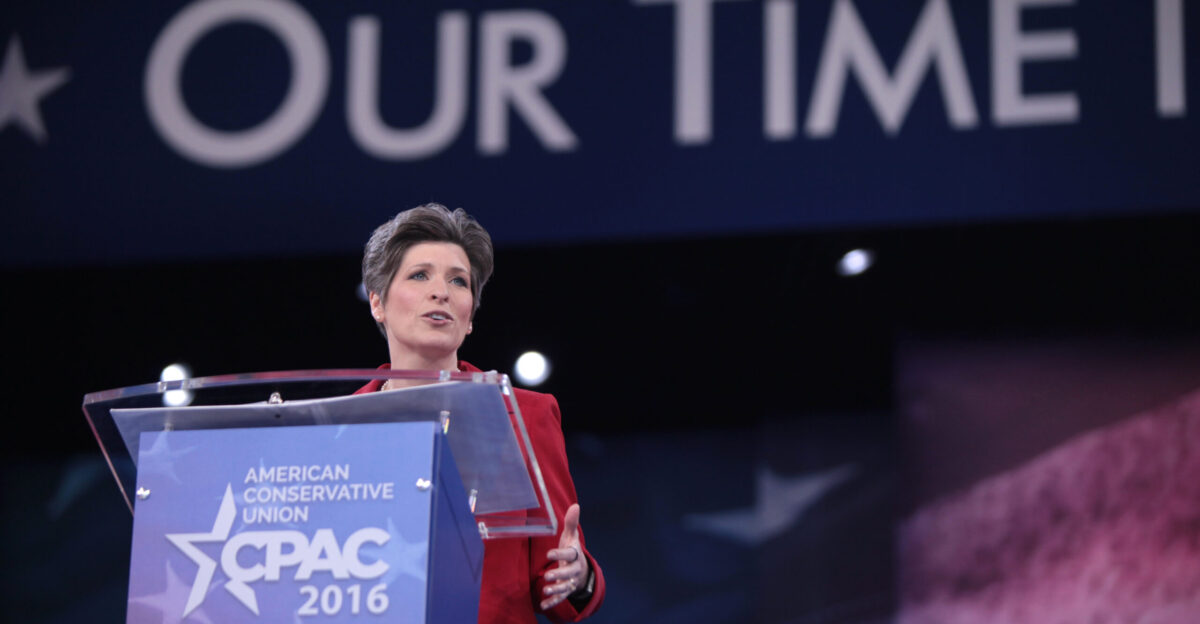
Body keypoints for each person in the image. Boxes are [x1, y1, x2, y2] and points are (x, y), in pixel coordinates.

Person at [354, 203, 604, 623]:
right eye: (420, 275)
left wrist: (576, 576)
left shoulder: (524, 416)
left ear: (469, 317)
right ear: (377, 303)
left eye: (459, 281)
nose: (442, 292)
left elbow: (557, 587)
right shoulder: (338, 425)